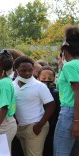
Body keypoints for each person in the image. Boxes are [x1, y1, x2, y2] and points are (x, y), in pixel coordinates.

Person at [13, 56, 55, 156]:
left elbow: (51, 105)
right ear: (16, 70)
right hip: (20, 127)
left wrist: (39, 125)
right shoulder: (12, 85)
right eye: (23, 70)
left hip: (36, 126)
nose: (27, 73)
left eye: (30, 70)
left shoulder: (39, 86)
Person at [54, 26, 79, 156]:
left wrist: (76, 122)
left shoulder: (70, 66)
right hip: (75, 113)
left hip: (70, 113)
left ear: (64, 51)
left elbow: (77, 92)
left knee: (61, 152)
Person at [37, 66, 60, 156]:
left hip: (51, 129)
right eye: (43, 78)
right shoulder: (35, 92)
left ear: (54, 79)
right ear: (38, 78)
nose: (46, 80)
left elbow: (57, 112)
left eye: (50, 78)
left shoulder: (56, 94)